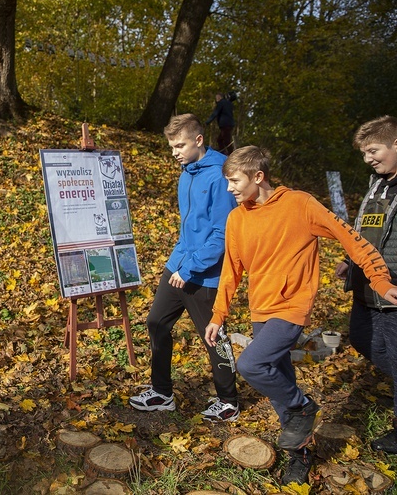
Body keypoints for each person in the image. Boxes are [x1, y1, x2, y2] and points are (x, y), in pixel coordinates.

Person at [205, 145, 397, 485]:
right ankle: (301, 452)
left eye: (234, 181)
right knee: (281, 385)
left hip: (292, 307)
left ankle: (304, 405)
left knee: (251, 365)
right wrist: (218, 314)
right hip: (260, 308)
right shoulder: (237, 218)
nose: (230, 188)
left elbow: (351, 240)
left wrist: (380, 280)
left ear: (258, 176)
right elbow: (230, 272)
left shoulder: (300, 204)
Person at [129, 113, 240, 422]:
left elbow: (223, 232)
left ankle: (229, 401)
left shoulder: (220, 174)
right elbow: (189, 226)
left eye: (180, 145)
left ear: (199, 140)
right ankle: (162, 393)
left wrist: (191, 267)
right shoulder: (186, 172)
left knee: (213, 336)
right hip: (179, 264)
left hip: (205, 273)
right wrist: (179, 262)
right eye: (172, 146)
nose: (174, 152)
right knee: (156, 322)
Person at [335, 115, 397, 454]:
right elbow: (362, 228)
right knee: (360, 338)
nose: (368, 158)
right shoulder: (378, 184)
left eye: (373, 150)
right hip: (365, 286)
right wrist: (349, 258)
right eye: (364, 153)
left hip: (393, 289)